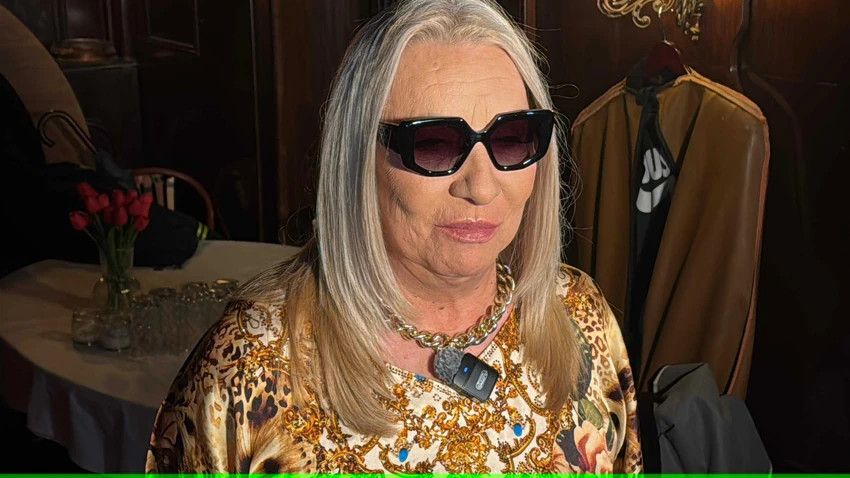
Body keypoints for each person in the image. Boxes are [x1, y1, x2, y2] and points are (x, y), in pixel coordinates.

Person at [145, 0, 642, 473]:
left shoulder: (577, 313)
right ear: (356, 159)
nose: (482, 186)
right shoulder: (247, 365)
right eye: (434, 143)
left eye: (512, 138)